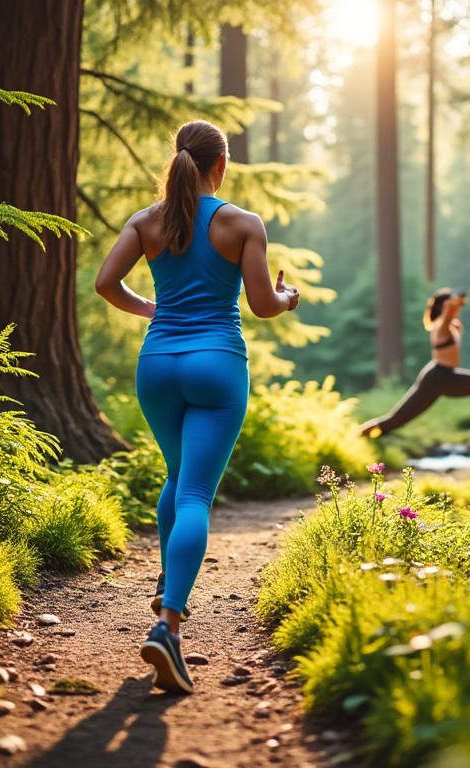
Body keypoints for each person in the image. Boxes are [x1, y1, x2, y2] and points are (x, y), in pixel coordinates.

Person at [94, 120, 299, 694]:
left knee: (178, 476)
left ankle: (167, 585)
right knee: (194, 495)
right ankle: (168, 627)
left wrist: (153, 310)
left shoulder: (147, 221)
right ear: (221, 166)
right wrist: (288, 297)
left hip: (158, 366)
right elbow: (261, 305)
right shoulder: (241, 223)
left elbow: (106, 284)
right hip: (217, 366)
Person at [359, 288, 470, 451]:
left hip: (443, 376)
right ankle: (356, 436)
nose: (456, 308)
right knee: (396, 419)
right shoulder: (440, 325)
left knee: (397, 419)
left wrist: (459, 300)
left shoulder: (451, 325)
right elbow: (449, 312)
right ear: (444, 306)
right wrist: (452, 304)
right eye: (451, 304)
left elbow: (455, 309)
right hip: (438, 376)